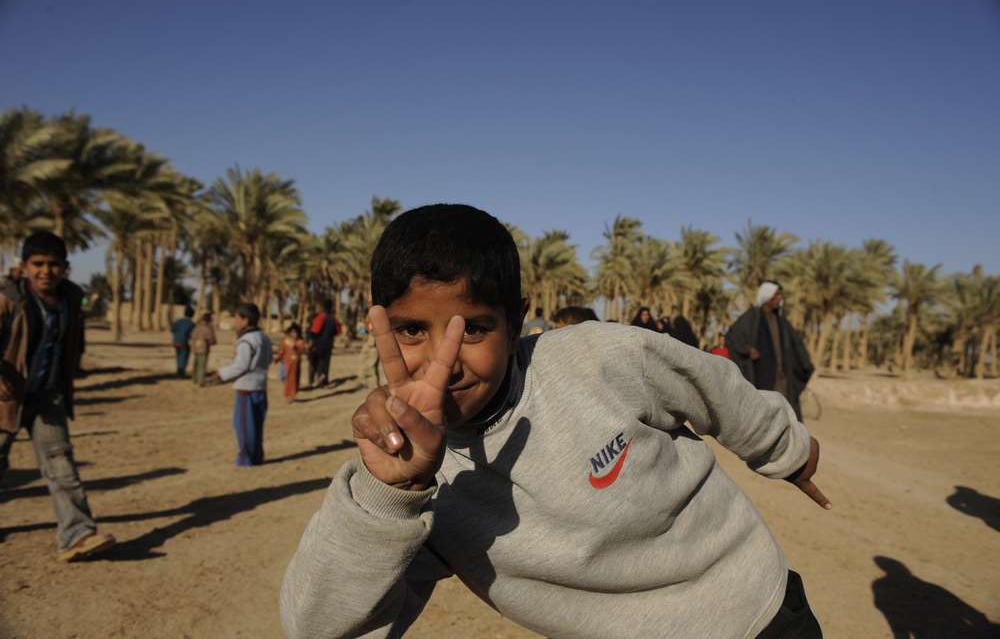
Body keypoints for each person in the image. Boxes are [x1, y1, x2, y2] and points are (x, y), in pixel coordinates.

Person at [280, 204, 830, 639]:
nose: (438, 365)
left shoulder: (602, 357)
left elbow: (713, 387)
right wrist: (388, 494)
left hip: (757, 613)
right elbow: (322, 628)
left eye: (471, 329)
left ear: (517, 318)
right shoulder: (418, 483)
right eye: (411, 330)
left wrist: (784, 448)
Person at [0, 231, 116, 561]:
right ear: (24, 266)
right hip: (6, 399)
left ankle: (77, 533)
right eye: (37, 264)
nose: (45, 271)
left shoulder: (70, 298)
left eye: (53, 265)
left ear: (65, 267)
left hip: (48, 396)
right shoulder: (7, 298)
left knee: (61, 464)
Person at [726, 282, 815, 421]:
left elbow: (796, 343)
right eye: (776, 294)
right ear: (767, 296)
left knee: (786, 417)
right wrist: (748, 349)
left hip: (782, 377)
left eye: (780, 294)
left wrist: (805, 364)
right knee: (764, 418)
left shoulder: (781, 320)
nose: (779, 298)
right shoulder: (753, 317)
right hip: (762, 377)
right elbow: (732, 335)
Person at [209, 303, 272, 466]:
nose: (235, 322)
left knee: (244, 426)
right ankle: (257, 456)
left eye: (237, 318)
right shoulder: (264, 337)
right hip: (260, 386)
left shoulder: (246, 340)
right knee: (256, 425)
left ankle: (246, 458)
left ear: (245, 320)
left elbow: (241, 365)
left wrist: (222, 373)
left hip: (246, 389)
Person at [308, 299, 341, 387]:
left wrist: (311, 340)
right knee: (326, 363)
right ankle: (324, 382)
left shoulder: (321, 317)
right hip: (329, 344)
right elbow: (338, 331)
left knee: (314, 361)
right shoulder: (334, 318)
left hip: (318, 344)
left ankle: (319, 375)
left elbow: (314, 330)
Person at [274, 322, 306, 403]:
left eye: (295, 333)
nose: (293, 334)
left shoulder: (299, 342)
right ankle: (288, 392)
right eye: (292, 332)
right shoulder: (287, 341)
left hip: (295, 365)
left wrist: (296, 347)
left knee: (293, 379)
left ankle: (290, 395)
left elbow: (302, 350)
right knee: (283, 377)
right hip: (285, 363)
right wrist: (277, 357)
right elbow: (281, 350)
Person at [189, 313, 217, 386]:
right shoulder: (207, 329)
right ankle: (200, 380)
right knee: (202, 366)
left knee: (196, 364)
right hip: (203, 349)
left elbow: (192, 336)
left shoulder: (196, 328)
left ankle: (194, 378)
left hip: (195, 348)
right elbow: (211, 340)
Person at [169, 306, 197, 378]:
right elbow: (193, 334)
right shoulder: (191, 324)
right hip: (184, 342)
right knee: (184, 357)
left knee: (178, 356)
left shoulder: (178, 321)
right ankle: (181, 372)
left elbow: (172, 329)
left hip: (176, 341)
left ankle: (179, 370)